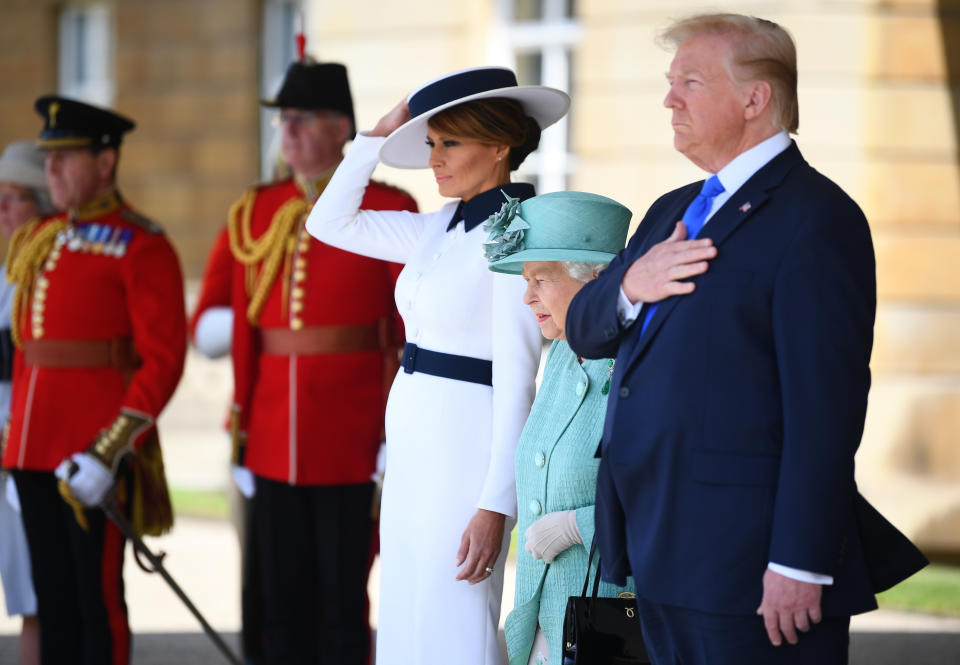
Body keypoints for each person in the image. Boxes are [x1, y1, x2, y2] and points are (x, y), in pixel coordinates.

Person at [564, 13, 928, 665]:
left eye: (691, 82)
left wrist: (800, 559)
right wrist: (630, 285)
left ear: (755, 99)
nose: (669, 99)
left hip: (751, 567)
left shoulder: (817, 218)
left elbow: (827, 409)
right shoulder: (670, 208)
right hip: (657, 546)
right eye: (670, 82)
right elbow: (585, 328)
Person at [305, 66, 569, 665]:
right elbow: (327, 222)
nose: (434, 159)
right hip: (414, 432)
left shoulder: (515, 236)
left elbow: (517, 379)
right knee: (403, 604)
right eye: (430, 143)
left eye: (450, 142)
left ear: (500, 145)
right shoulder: (437, 228)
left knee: (456, 618)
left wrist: (496, 503)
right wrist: (375, 136)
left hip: (466, 443)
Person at [226, 59, 417, 665]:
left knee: (342, 603)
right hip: (272, 439)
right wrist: (243, 426)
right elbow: (240, 328)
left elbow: (414, 321)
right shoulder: (257, 209)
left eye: (302, 119)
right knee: (278, 602)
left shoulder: (387, 203)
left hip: (350, 436)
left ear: (341, 128)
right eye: (284, 120)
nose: (288, 132)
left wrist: (397, 427)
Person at [2, 96, 187, 665]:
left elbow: (163, 360)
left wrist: (109, 452)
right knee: (52, 600)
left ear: (105, 162)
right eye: (49, 159)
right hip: (32, 452)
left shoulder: (142, 242)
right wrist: (16, 444)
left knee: (95, 602)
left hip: (91, 453)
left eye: (65, 157)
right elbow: (26, 352)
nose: (51, 169)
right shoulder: (42, 238)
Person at [484, 191, 636, 665]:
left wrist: (579, 526)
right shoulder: (563, 357)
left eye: (541, 279)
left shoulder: (641, 366)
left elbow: (671, 494)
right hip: (543, 623)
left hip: (612, 627)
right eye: (526, 280)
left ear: (596, 280)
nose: (526, 296)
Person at [0, 140, 55, 665]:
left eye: (13, 198)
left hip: (30, 446)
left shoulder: (50, 276)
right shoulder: (7, 275)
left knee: (38, 599)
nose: (2, 211)